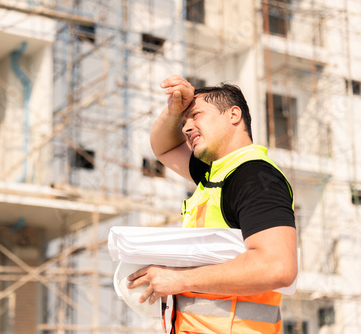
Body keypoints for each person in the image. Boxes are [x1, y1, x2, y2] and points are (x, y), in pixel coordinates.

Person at [127, 76, 298, 333]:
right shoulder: (216, 175)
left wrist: (179, 279)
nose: (186, 128)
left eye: (196, 115)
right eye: (184, 123)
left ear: (233, 115)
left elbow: (278, 267)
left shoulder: (254, 177)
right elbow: (162, 147)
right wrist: (175, 110)